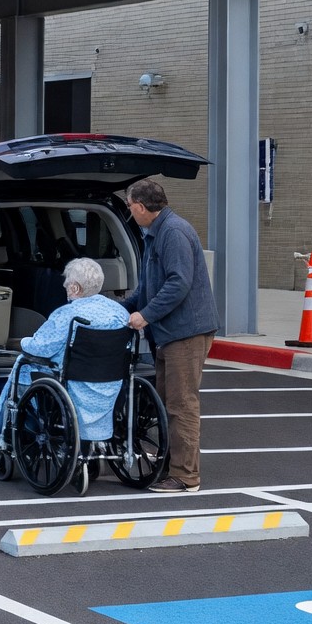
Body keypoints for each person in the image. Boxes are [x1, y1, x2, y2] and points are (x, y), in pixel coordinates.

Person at [120, 179, 215, 492]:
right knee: (166, 404)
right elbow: (149, 287)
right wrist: (119, 308)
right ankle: (172, 467)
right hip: (171, 333)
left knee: (181, 405)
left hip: (185, 332)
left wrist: (145, 315)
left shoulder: (172, 233)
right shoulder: (156, 233)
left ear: (144, 207)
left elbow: (178, 283)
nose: (131, 214)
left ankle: (186, 477)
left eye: (131, 208)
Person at [0, 257, 128, 449]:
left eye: (67, 283)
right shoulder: (119, 313)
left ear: (75, 288)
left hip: (75, 386)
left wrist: (22, 341)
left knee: (23, 364)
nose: (64, 286)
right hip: (110, 384)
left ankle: (7, 431)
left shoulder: (67, 314)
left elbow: (40, 347)